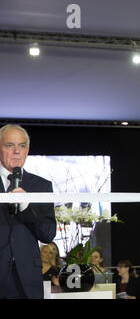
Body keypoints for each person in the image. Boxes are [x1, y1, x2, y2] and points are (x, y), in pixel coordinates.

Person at [0, 124, 56, 299]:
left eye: (21, 146)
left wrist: (26, 207)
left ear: (27, 150)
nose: (17, 151)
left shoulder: (41, 186)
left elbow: (47, 234)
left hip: (27, 279)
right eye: (10, 145)